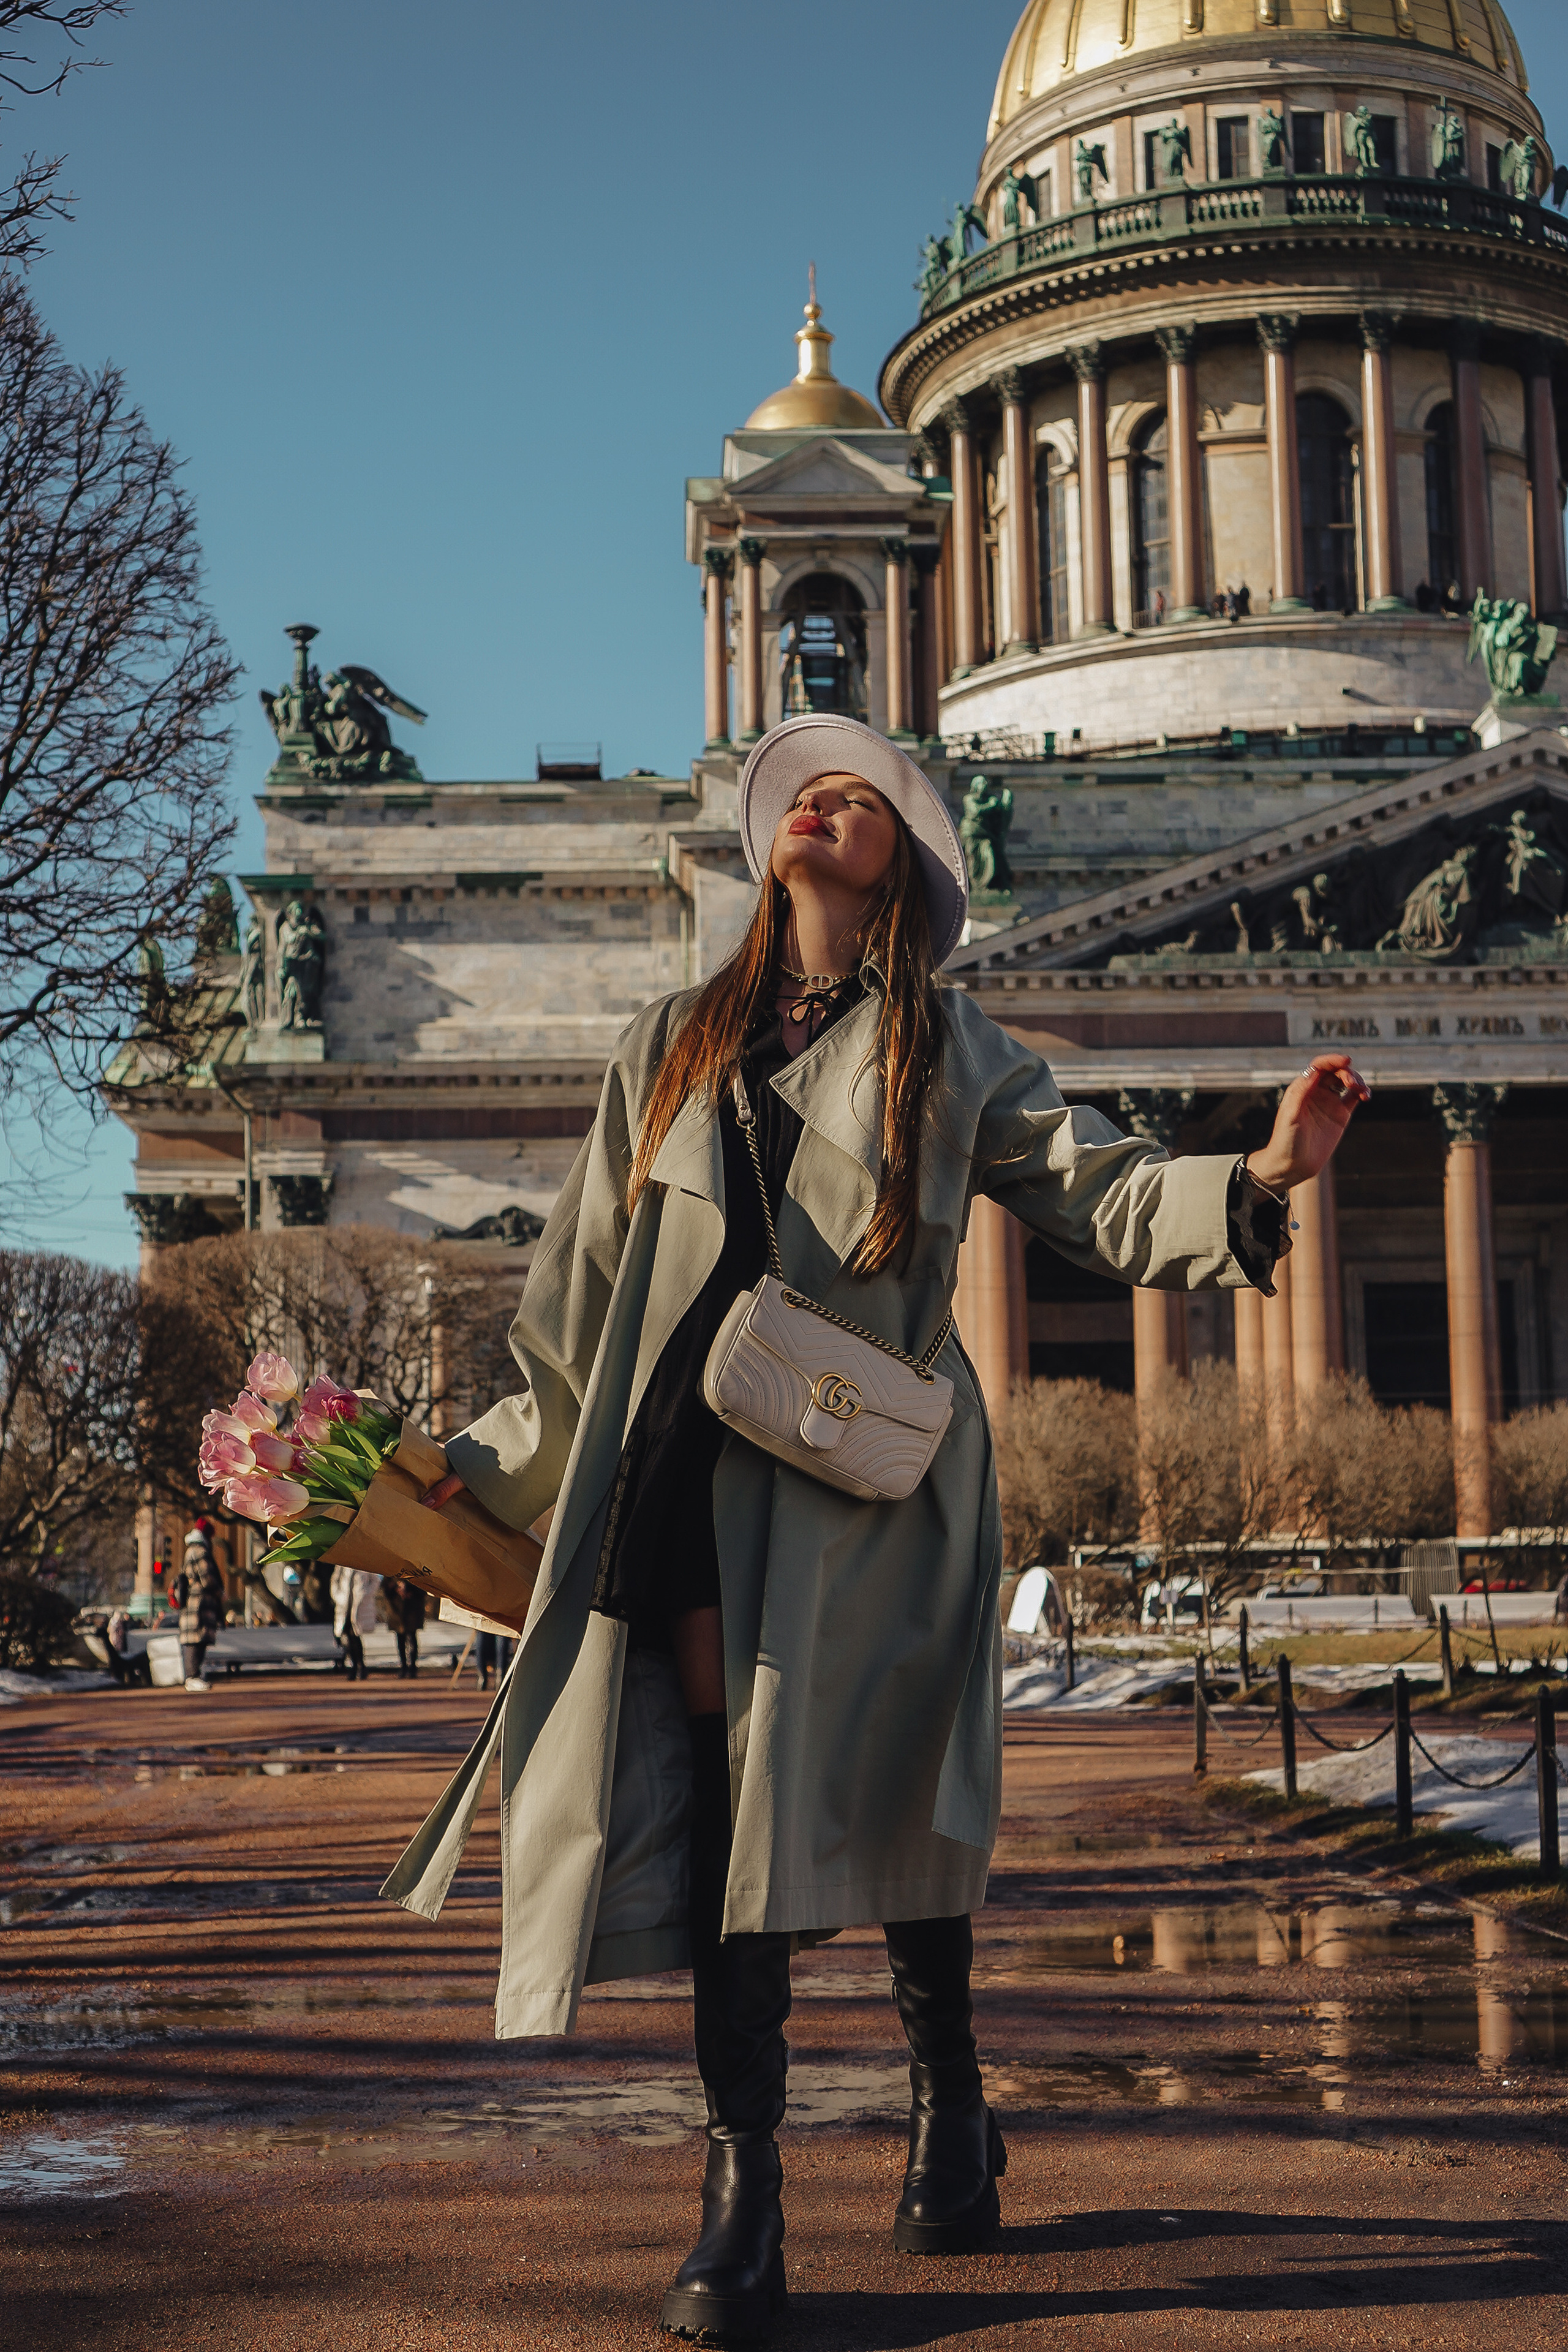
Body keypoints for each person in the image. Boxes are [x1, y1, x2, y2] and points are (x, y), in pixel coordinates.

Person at [385, 712, 1367, 2342]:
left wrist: (1262, 1176)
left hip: (873, 1481)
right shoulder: (670, 1041)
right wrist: (459, 1476)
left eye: (863, 804)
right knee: (726, 1827)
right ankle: (745, 2194)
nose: (825, 807)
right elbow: (572, 1316)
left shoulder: (951, 1043)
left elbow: (1101, 1191)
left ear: (902, 873)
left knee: (905, 1802)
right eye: (809, 797)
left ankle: (949, 2111)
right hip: (694, 1477)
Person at [175, 1525, 224, 1692]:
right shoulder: (200, 1551)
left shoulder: (191, 1550)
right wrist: (219, 1591)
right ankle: (192, 1676)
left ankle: (193, 1675)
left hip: (193, 1604)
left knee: (194, 1640)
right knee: (196, 1640)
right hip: (199, 1604)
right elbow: (207, 1578)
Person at [331, 1562, 378, 1679]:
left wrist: (365, 1594)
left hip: (358, 1607)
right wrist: (338, 1596)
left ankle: (360, 1666)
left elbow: (375, 1581)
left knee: (356, 1636)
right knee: (348, 1638)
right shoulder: (342, 1564)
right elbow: (335, 1581)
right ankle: (355, 1666)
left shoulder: (364, 1563)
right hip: (345, 1606)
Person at [391, 1579, 426, 1678]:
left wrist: (410, 1589)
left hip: (413, 1609)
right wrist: (396, 1588)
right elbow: (386, 1586)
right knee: (400, 1639)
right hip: (397, 1609)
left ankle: (413, 1667)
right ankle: (404, 1666)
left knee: (412, 1638)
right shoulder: (391, 1571)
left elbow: (423, 1589)